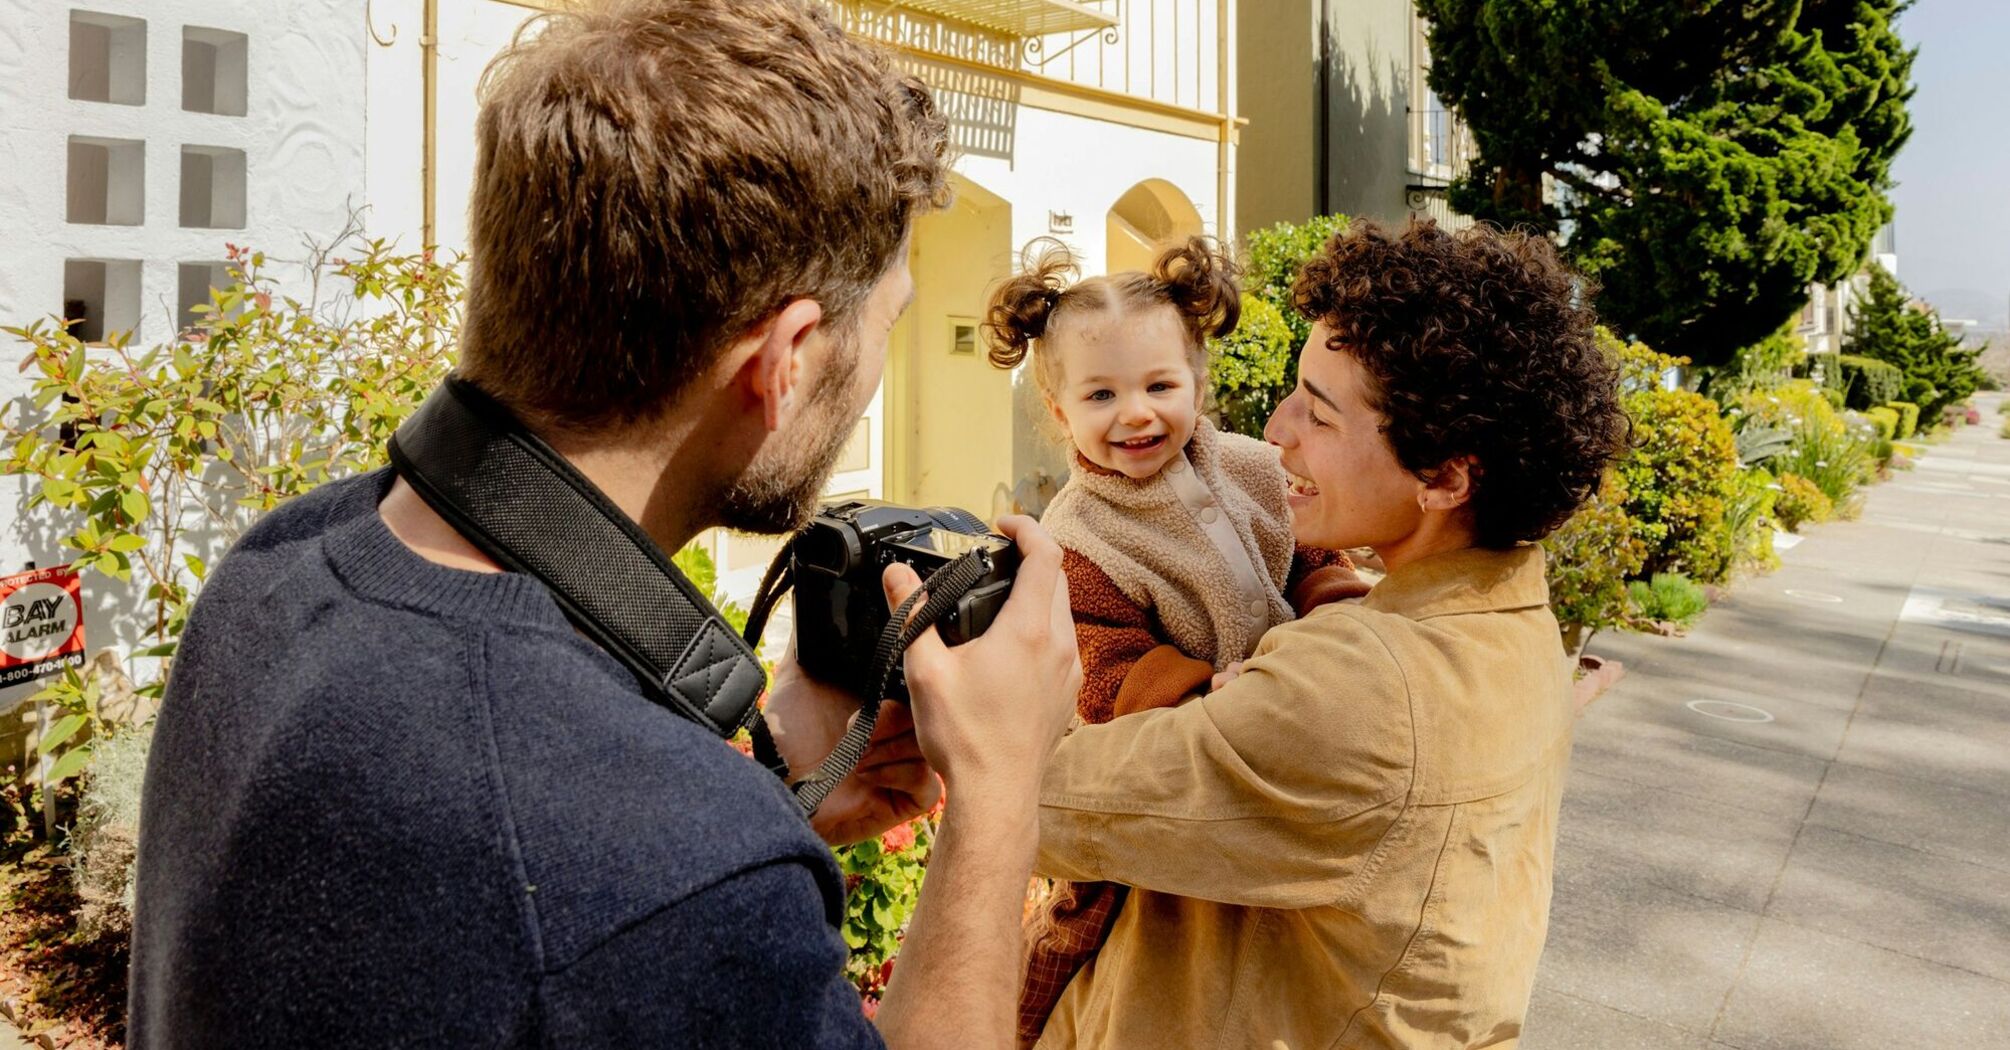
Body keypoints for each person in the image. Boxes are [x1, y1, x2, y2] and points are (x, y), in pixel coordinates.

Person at [127, 2, 1080, 1047]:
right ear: (787, 358)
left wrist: (756, 791)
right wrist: (995, 795)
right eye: (885, 324)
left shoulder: (280, 567)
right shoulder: (675, 872)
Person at [1026, 218, 1630, 1048]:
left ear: (1446, 475)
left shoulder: (1356, 687)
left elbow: (1032, 804)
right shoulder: (1512, 618)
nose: (1275, 431)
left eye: (1318, 412)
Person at [980, 237, 1357, 1043]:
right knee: (1082, 931)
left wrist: (1334, 604)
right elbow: (1105, 662)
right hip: (1165, 758)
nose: (1137, 413)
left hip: (1286, 718)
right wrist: (1194, 690)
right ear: (1060, 413)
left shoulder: (1255, 467)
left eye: (1159, 385)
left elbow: (1307, 553)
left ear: (1197, 381)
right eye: (1102, 396)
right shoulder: (1081, 535)